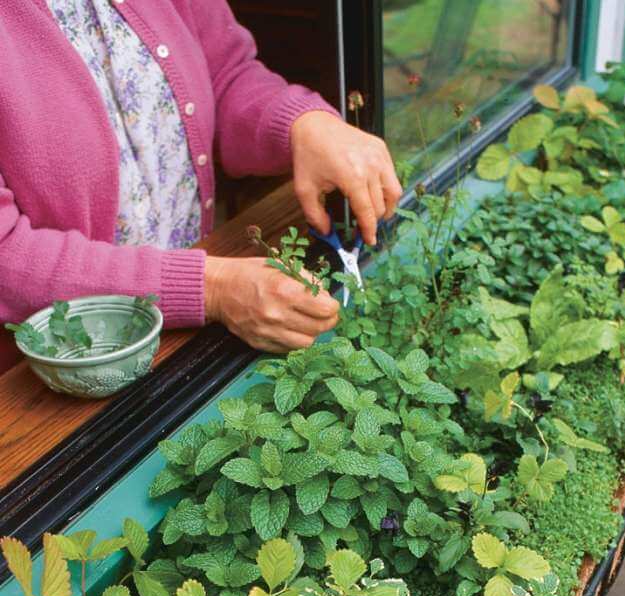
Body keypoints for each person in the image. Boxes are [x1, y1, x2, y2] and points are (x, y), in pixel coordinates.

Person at [0, 0, 403, 370]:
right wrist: (209, 289)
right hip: (58, 382)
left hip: (198, 334)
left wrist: (301, 125)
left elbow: (224, 75)